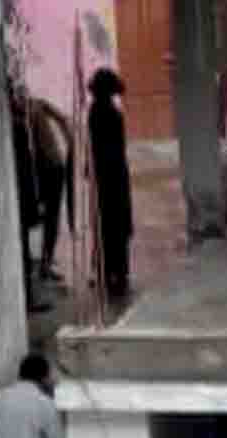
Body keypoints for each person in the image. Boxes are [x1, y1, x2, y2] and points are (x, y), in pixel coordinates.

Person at [15, 83, 77, 291]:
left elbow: (63, 119)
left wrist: (69, 139)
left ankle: (46, 261)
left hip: (53, 167)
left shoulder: (37, 106)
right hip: (43, 170)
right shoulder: (24, 116)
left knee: (51, 217)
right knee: (46, 217)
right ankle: (44, 261)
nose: (22, 99)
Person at [87, 68, 133, 303]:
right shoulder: (112, 115)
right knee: (117, 225)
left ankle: (107, 272)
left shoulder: (94, 112)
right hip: (113, 176)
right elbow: (116, 150)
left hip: (102, 176)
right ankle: (118, 275)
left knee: (105, 224)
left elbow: (92, 149)